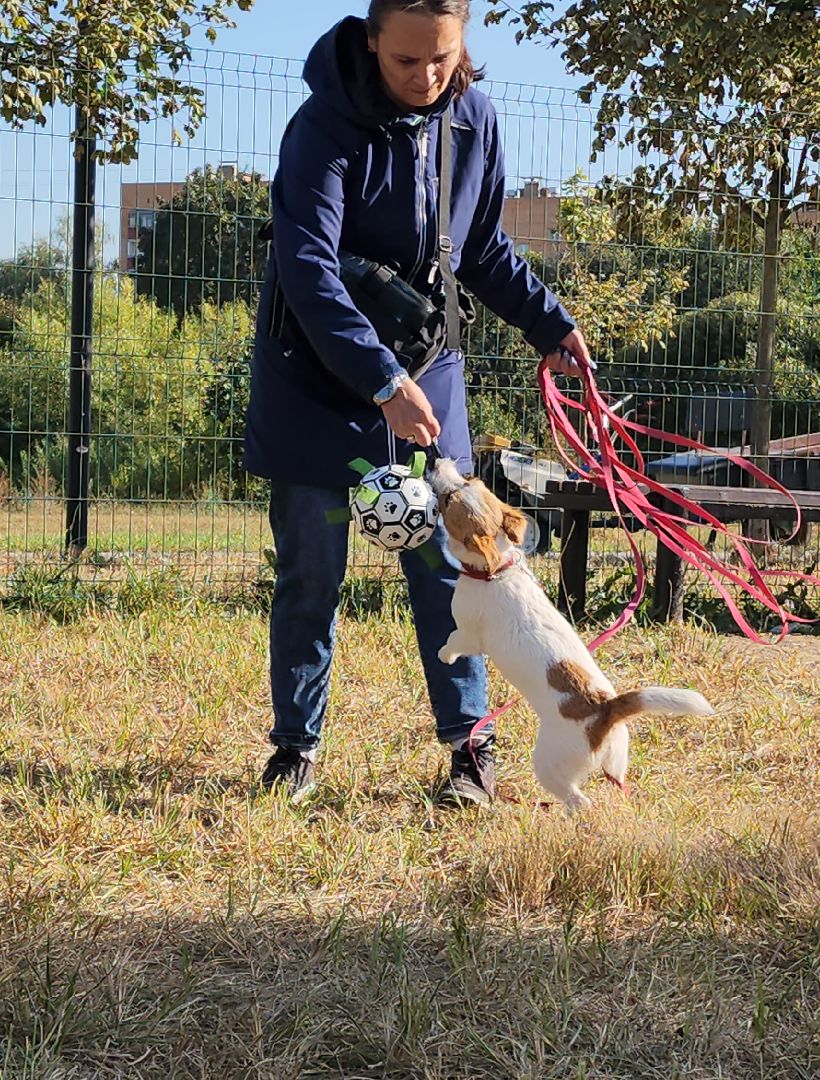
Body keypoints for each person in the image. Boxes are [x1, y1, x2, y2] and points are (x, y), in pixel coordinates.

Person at [243, 0, 591, 807]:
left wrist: (551, 325)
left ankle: (471, 755)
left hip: (425, 378)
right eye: (406, 62)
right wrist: (378, 381)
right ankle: (294, 751)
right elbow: (308, 270)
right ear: (370, 44)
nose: (428, 78)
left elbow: (482, 247)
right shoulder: (321, 129)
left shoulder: (473, 119)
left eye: (443, 58)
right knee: (310, 576)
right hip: (317, 386)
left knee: (457, 570)